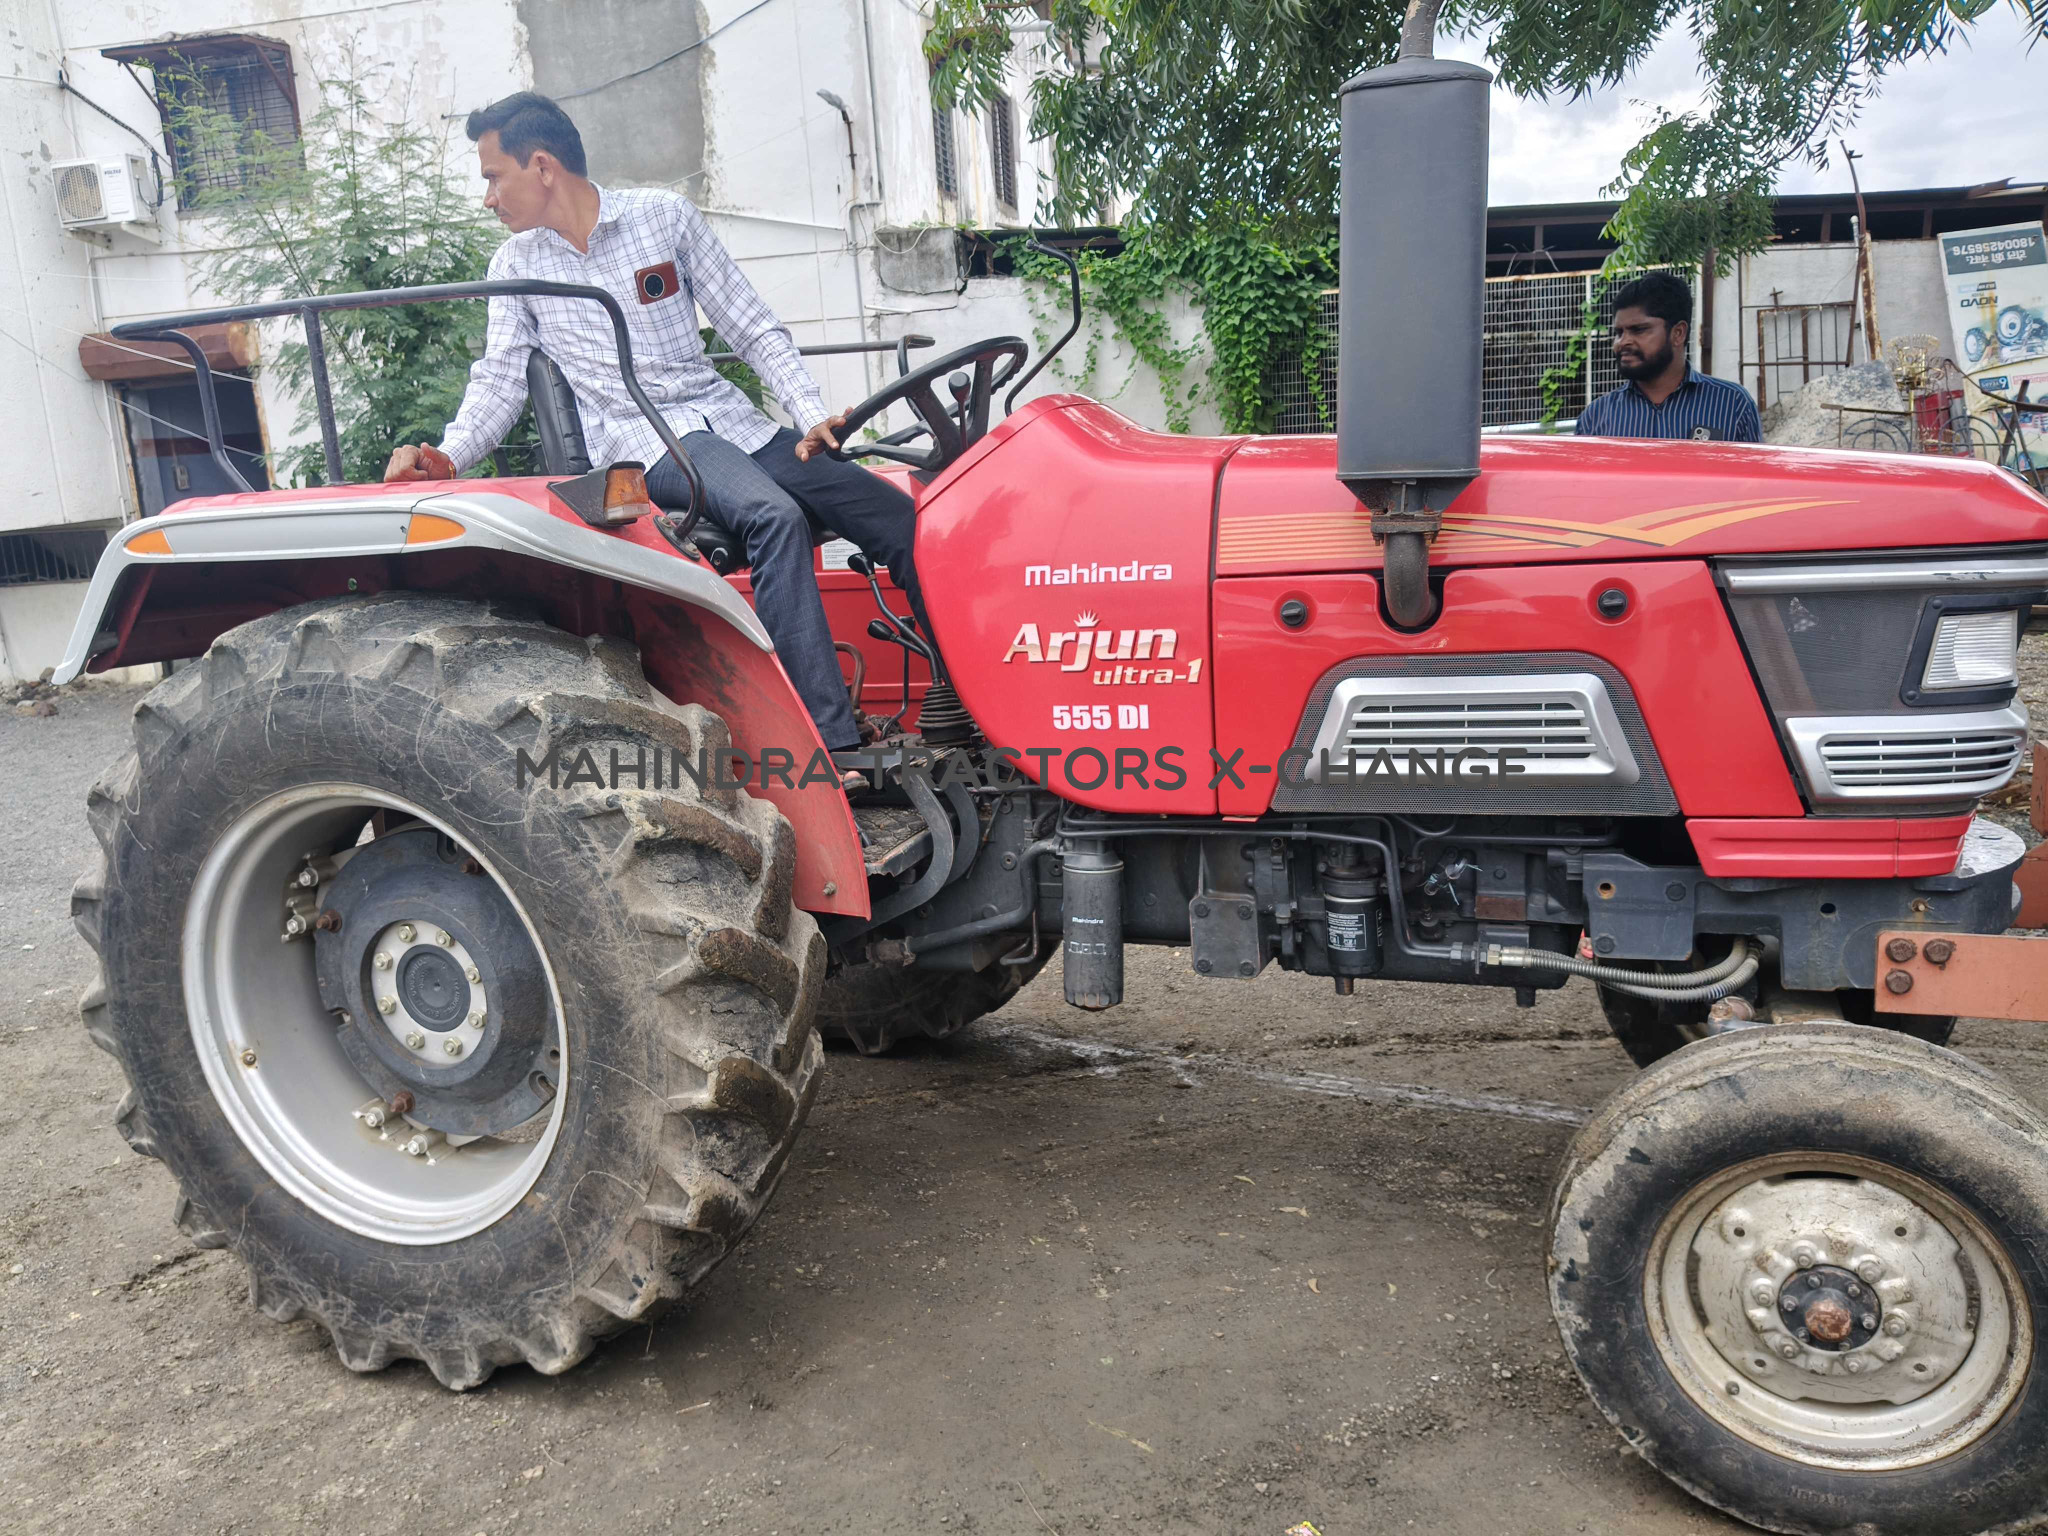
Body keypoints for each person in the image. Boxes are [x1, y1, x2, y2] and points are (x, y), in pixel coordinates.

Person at [383, 91, 920, 753]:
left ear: (542, 166)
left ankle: (975, 707)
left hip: (732, 423)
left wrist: (810, 416)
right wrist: (450, 454)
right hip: (644, 442)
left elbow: (752, 327)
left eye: (493, 177)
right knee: (773, 516)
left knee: (897, 518)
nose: (488, 198)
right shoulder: (516, 267)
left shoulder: (664, 218)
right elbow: (499, 379)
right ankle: (831, 748)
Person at [1575, 271, 1762, 443]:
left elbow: (1754, 470)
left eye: (1638, 330)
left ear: (1678, 333)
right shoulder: (1596, 418)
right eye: (1618, 333)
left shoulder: (1732, 405)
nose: (1622, 342)